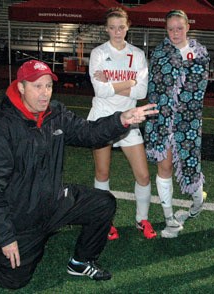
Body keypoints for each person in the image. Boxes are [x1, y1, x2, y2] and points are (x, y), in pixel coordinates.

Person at [0, 60, 158, 289]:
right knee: (13, 279)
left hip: (54, 202)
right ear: (21, 87)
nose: (44, 93)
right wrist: (5, 237)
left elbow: (88, 133)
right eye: (37, 86)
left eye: (48, 86)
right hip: (22, 216)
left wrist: (121, 120)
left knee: (102, 203)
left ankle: (80, 261)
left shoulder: (55, 114)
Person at [87, 7, 157, 240]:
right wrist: (129, 81)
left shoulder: (137, 54)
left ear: (128, 27)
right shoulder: (98, 53)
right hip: (102, 118)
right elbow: (100, 90)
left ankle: (142, 220)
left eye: (121, 27)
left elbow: (143, 89)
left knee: (143, 176)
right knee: (102, 172)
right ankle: (104, 222)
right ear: (106, 29)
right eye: (112, 27)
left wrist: (114, 83)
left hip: (130, 118)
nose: (117, 32)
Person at [144, 10, 210, 238]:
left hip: (188, 122)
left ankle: (196, 202)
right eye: (170, 29)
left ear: (188, 27)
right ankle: (170, 220)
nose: (175, 33)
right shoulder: (159, 52)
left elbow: (198, 87)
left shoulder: (200, 52)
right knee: (165, 167)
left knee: (191, 166)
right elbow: (153, 85)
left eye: (179, 28)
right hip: (161, 120)